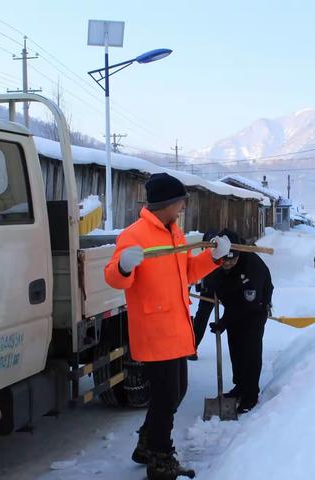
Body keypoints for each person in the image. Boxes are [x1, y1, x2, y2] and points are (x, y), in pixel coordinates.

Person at [104, 173, 231, 480]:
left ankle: (148, 443)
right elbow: (113, 277)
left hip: (176, 326)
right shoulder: (134, 235)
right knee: (165, 397)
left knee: (176, 392)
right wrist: (123, 266)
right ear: (167, 203)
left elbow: (186, 272)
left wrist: (213, 257)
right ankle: (160, 459)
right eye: (180, 203)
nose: (182, 209)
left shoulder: (175, 233)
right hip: (154, 330)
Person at [208, 229, 273, 414]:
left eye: (232, 259)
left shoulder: (252, 268)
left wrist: (224, 322)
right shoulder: (219, 263)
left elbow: (246, 305)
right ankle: (240, 386)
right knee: (236, 349)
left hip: (255, 309)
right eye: (224, 260)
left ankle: (250, 394)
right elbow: (214, 283)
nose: (227, 263)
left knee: (250, 352)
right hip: (234, 308)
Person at [189, 229, 219, 360]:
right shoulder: (204, 256)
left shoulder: (220, 245)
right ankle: (192, 348)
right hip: (208, 287)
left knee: (236, 316)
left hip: (226, 284)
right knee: (202, 316)